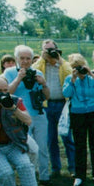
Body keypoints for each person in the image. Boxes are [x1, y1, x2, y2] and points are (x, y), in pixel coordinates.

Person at [4, 44, 50, 183]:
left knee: (42, 147)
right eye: (22, 58)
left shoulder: (37, 72)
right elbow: (7, 93)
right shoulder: (9, 72)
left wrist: (44, 84)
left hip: (38, 114)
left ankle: (44, 176)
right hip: (20, 116)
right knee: (26, 148)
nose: (25, 61)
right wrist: (18, 78)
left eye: (28, 58)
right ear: (17, 59)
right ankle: (28, 176)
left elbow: (47, 96)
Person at [32, 39, 76, 177]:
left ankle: (73, 167)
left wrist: (59, 60)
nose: (50, 52)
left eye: (52, 49)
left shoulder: (63, 64)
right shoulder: (40, 65)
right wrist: (42, 58)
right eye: (47, 49)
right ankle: (56, 168)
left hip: (62, 103)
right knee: (51, 139)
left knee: (67, 136)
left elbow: (70, 73)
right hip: (47, 104)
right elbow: (33, 70)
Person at [62, 53, 94, 186]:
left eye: (81, 66)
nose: (79, 70)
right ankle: (80, 176)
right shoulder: (70, 79)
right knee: (80, 145)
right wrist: (73, 79)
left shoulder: (93, 78)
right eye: (76, 67)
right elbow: (66, 94)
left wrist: (92, 75)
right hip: (78, 114)